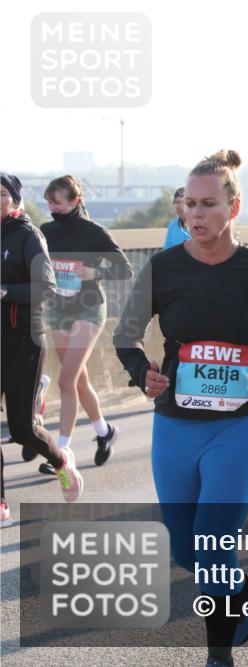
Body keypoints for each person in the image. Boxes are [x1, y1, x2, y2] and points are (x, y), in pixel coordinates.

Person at [114, 149, 248, 667]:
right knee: (185, 550)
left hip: (245, 422)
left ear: (234, 207)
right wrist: (144, 374)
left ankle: (218, 654)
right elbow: (125, 337)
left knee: (211, 540)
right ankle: (244, 589)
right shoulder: (163, 268)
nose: (197, 214)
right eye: (190, 204)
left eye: (209, 203)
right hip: (177, 424)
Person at [1, 172, 84, 525]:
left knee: (21, 430)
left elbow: (47, 287)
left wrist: (6, 292)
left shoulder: (28, 236)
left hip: (24, 340)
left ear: (15, 201)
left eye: (1, 194)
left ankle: (63, 460)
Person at [40, 175, 133, 473]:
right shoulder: (45, 231)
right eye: (48, 202)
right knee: (77, 380)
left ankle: (62, 453)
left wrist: (95, 271)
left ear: (75, 201)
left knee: (66, 380)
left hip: (89, 309)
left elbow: (124, 269)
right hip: (58, 310)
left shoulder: (94, 232)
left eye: (57, 202)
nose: (51, 207)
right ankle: (104, 431)